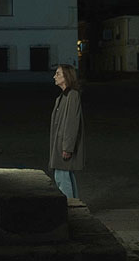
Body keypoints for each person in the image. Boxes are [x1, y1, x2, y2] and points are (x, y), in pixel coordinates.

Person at [49, 64, 85, 199]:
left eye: (58, 74)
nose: (54, 76)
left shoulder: (72, 96)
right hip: (61, 144)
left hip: (64, 145)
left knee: (62, 177)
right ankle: (74, 206)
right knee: (66, 175)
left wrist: (67, 148)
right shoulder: (64, 96)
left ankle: (69, 208)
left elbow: (71, 123)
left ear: (67, 77)